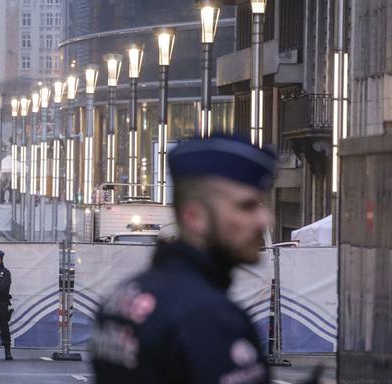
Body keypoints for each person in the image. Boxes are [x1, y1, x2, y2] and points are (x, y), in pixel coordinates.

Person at [91, 135, 276, 383]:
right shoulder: (209, 318)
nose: (265, 221)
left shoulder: (122, 297)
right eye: (246, 206)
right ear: (194, 217)